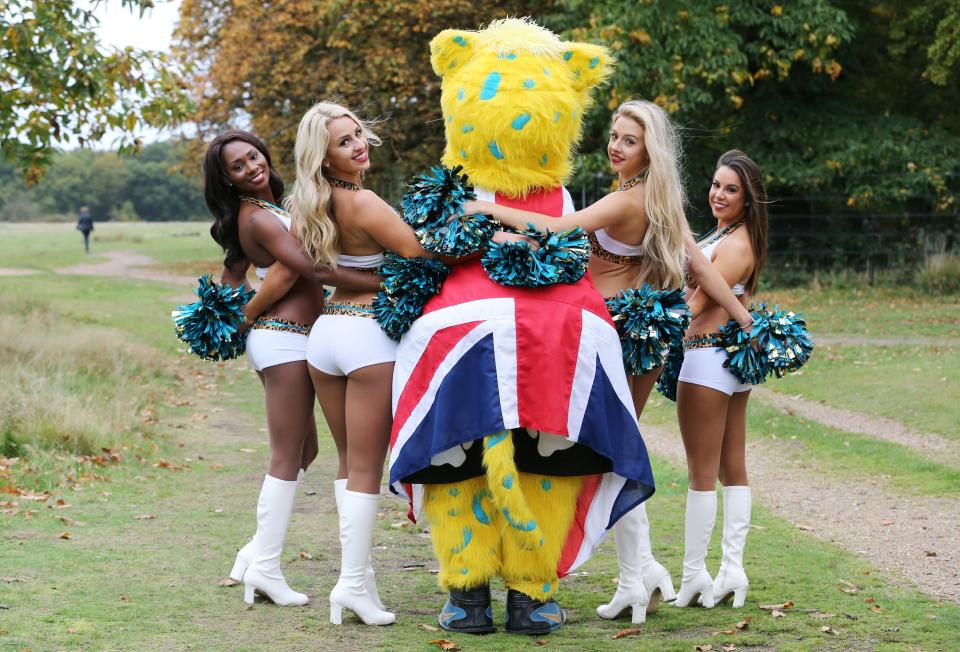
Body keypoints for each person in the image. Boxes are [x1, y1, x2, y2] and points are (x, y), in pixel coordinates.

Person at [462, 100, 755, 623]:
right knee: (615, 449)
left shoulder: (630, 199)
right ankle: (641, 574)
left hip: (617, 331)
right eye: (615, 135)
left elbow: (560, 226)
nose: (615, 146)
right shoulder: (656, 195)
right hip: (630, 329)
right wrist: (744, 319)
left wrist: (488, 210)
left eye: (629, 140)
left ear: (649, 150)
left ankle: (635, 577)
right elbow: (702, 270)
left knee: (611, 453)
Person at [203, 129, 381, 606]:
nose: (251, 167)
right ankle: (264, 567)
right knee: (286, 456)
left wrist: (232, 310)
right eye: (237, 167)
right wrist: (382, 281)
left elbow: (234, 274)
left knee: (305, 451)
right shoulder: (256, 217)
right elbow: (312, 269)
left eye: (252, 156)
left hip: (289, 339)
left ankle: (255, 553)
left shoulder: (270, 209)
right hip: (285, 340)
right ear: (229, 181)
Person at [287, 102, 428, 626]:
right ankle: (350, 586)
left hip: (325, 339)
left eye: (357, 135)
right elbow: (420, 255)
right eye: (344, 142)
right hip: (369, 339)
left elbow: (322, 271)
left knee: (349, 466)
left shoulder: (308, 204)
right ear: (323, 156)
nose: (358, 145)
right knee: (368, 469)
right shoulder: (363, 201)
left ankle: (358, 575)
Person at [673, 150, 768, 609]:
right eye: (715, 185)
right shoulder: (726, 234)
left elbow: (694, 306)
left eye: (731, 189)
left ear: (748, 199)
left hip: (707, 360)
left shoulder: (735, 244)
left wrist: (651, 322)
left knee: (701, 475)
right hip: (727, 363)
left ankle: (696, 575)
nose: (719, 194)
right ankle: (732, 571)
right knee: (733, 467)